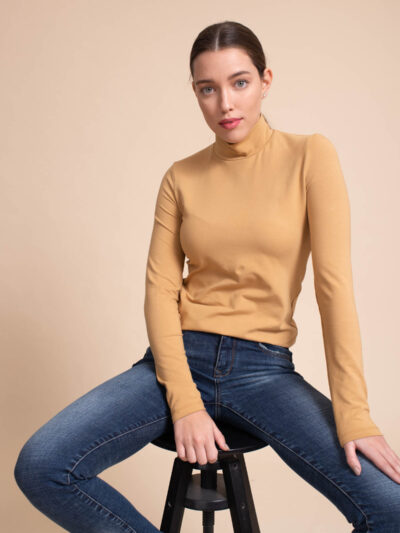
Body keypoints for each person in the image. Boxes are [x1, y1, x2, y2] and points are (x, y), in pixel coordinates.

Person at [14, 20, 400, 533]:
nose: (225, 103)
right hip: (178, 359)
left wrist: (355, 415)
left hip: (263, 368)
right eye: (207, 89)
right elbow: (160, 293)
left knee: (392, 508)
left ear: (265, 80)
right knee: (41, 465)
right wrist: (185, 402)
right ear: (195, 93)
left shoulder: (310, 155)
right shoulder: (181, 176)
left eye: (240, 82)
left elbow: (334, 290)